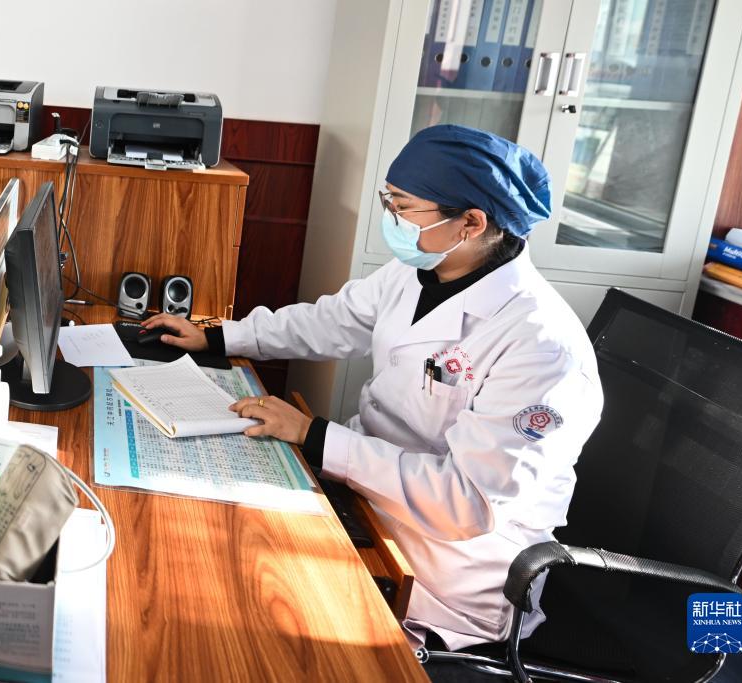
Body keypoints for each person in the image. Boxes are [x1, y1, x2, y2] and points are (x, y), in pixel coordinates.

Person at [143, 125, 604, 654]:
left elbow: (466, 502)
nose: (391, 218)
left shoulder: (543, 348)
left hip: (444, 566)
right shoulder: (421, 268)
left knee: (241, 612)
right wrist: (220, 336)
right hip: (365, 496)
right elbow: (333, 321)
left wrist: (316, 437)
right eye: (389, 201)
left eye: (403, 207)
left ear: (472, 223)